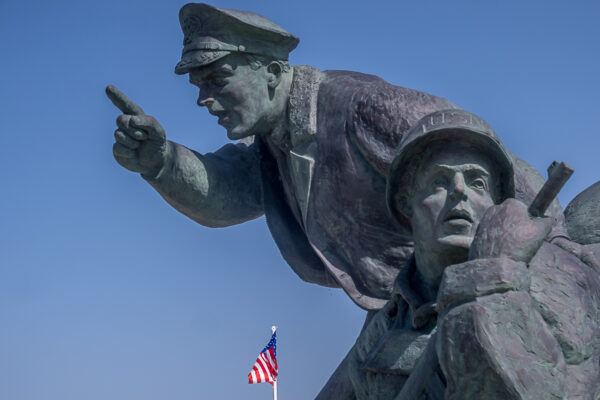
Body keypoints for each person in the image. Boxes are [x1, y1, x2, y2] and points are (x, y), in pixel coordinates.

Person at [108, 3, 568, 312]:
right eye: (199, 86)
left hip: (475, 297)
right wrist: (160, 160)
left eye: (218, 80)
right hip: (407, 307)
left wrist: (554, 270)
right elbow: (223, 193)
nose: (204, 99)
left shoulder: (364, 109)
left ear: (271, 72)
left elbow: (501, 170)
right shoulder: (274, 141)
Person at [319, 110, 600, 399]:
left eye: (477, 182)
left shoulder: (556, 283)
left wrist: (494, 274)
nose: (458, 191)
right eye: (439, 181)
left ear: (497, 205)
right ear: (406, 202)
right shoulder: (387, 323)